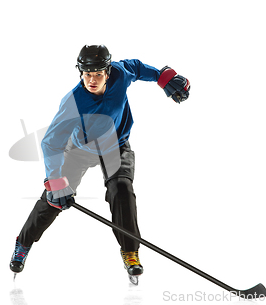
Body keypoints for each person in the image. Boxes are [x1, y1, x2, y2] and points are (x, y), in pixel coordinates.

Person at [10, 45, 190, 280]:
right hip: (80, 150)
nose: (92, 80)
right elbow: (51, 143)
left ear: (107, 72)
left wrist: (162, 77)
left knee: (122, 189)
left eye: (97, 74)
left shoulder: (120, 74)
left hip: (116, 145)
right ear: (80, 73)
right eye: (87, 74)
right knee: (52, 201)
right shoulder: (73, 102)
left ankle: (130, 251)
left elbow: (135, 67)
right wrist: (55, 181)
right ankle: (23, 245)